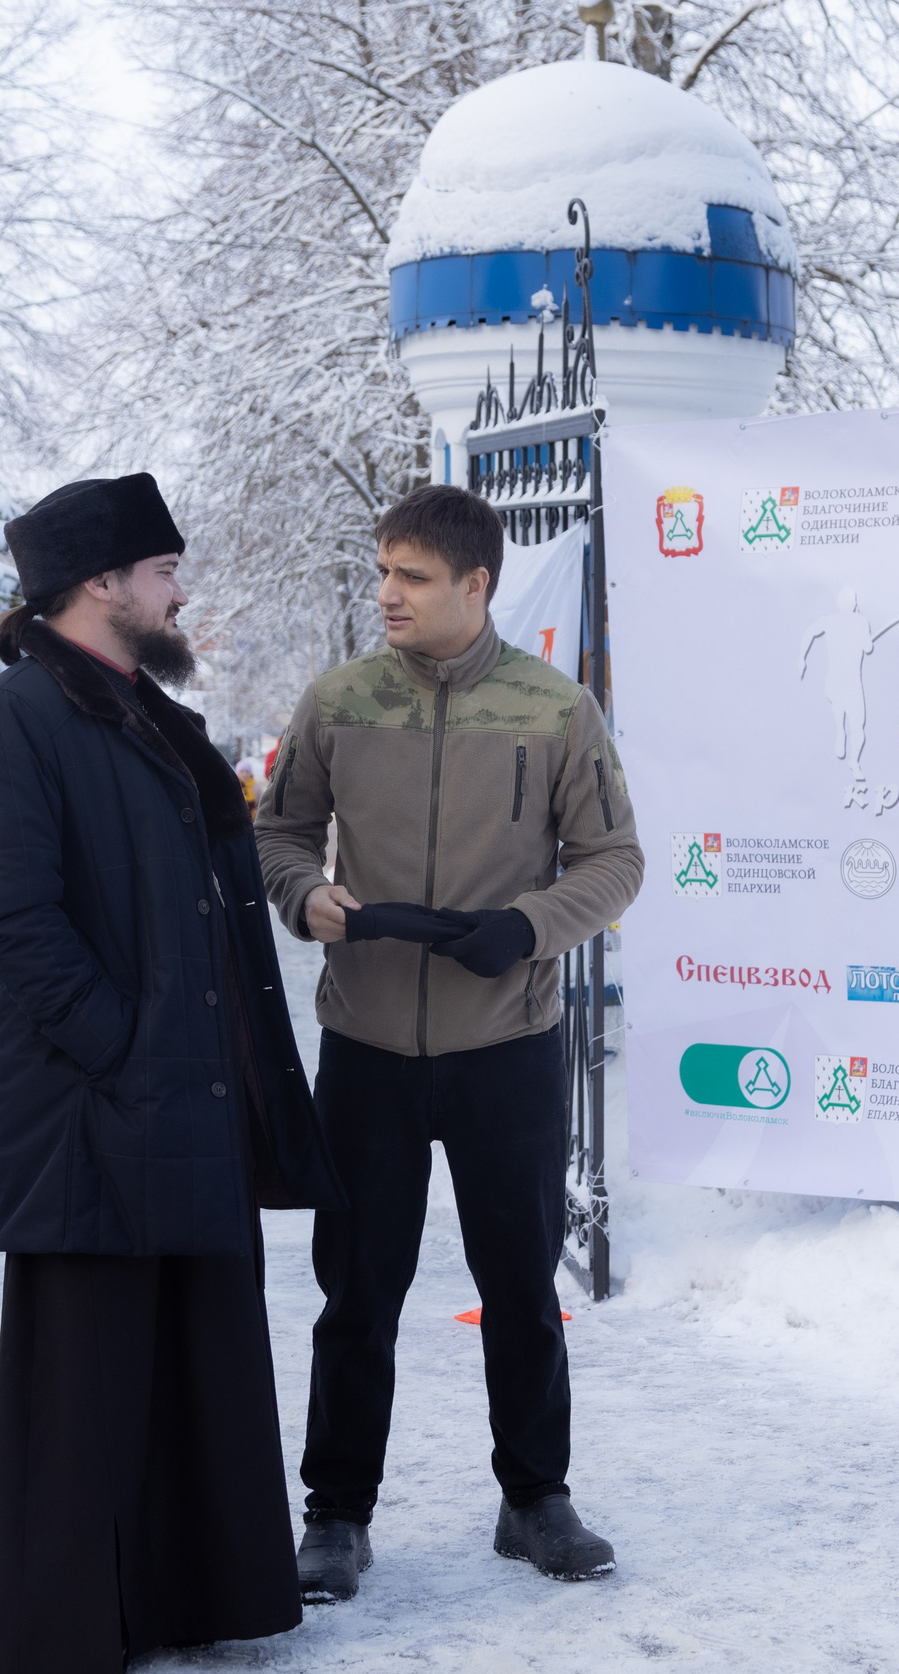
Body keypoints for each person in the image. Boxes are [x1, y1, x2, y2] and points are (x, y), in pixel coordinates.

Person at [0, 472, 340, 1674]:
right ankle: (54, 1640)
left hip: (189, 1098)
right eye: (164, 571)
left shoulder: (151, 714)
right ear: (100, 583)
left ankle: (185, 1597)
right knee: (86, 1376)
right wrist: (121, 1043)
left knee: (189, 1352)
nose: (181, 591)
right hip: (94, 1105)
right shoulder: (15, 718)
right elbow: (9, 918)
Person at [256, 484, 642, 1601]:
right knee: (355, 1294)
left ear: (476, 585)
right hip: (367, 1044)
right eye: (384, 570)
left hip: (506, 1044)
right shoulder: (338, 702)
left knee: (520, 1286)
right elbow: (277, 832)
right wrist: (305, 897)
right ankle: (335, 1515)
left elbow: (614, 860)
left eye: (413, 577)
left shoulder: (554, 709)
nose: (389, 593)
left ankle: (535, 1500)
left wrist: (528, 927)